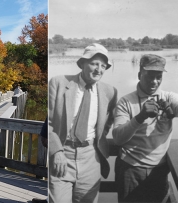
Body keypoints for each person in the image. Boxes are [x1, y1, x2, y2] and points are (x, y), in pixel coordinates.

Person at [112, 54, 178, 202]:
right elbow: (118, 138)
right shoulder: (125, 102)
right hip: (130, 169)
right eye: (149, 76)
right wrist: (140, 117)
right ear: (139, 75)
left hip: (159, 170)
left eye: (159, 77)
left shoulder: (169, 97)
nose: (154, 82)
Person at [48, 43, 117, 202]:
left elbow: (108, 123)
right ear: (82, 64)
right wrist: (57, 151)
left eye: (103, 66)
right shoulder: (58, 83)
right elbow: (50, 123)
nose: (98, 69)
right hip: (63, 156)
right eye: (94, 63)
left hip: (90, 160)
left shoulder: (110, 92)